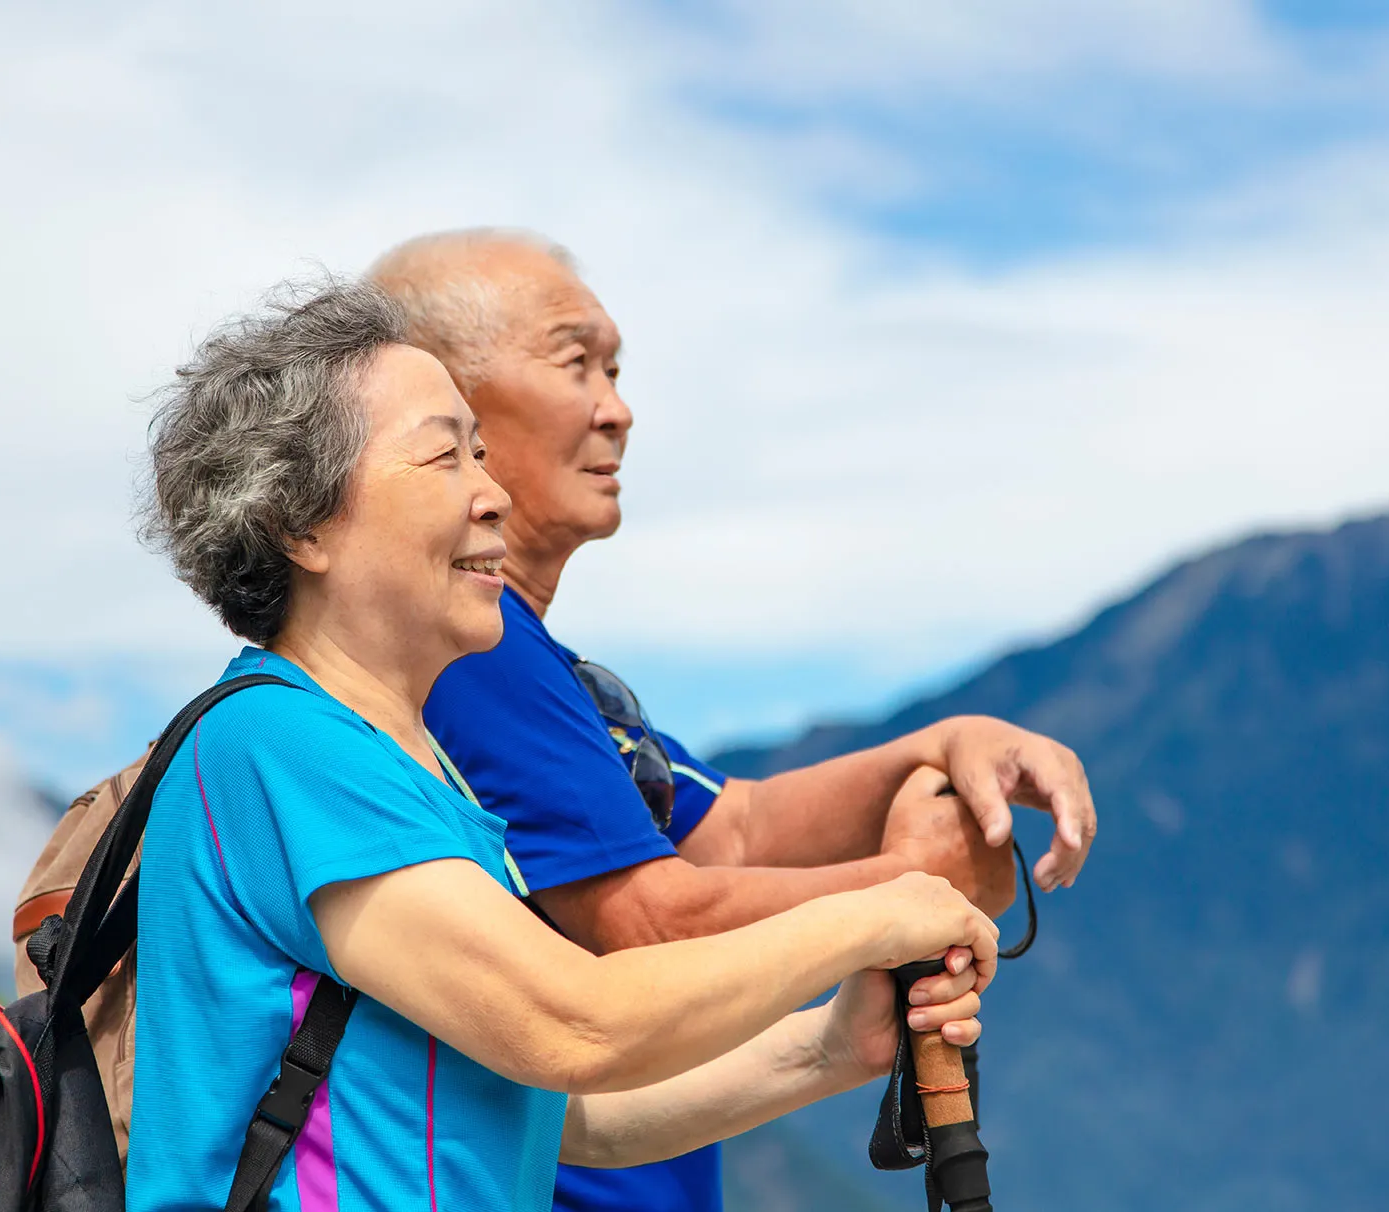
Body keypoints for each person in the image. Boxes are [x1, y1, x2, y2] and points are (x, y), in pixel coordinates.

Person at [122, 278, 997, 1212]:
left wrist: (828, 1049)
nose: (493, 495)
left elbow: (566, 1109)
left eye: (484, 455)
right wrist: (877, 910)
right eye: (445, 459)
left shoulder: (409, 763)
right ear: (302, 522)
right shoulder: (277, 742)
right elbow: (572, 1023)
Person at [369, 229, 1100, 1212]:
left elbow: (739, 828)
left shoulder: (542, 671)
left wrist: (942, 747)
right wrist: (916, 889)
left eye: (618, 370)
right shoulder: (470, 650)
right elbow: (648, 921)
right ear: (450, 407)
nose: (618, 410)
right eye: (576, 362)